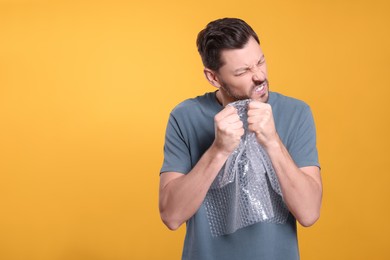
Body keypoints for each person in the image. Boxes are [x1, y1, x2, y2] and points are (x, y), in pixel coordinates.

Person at [159, 17, 322, 260]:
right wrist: (218, 150)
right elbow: (171, 216)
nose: (259, 76)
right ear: (213, 77)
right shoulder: (185, 116)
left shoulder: (296, 113)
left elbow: (309, 213)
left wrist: (273, 142)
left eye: (260, 61)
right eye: (243, 71)